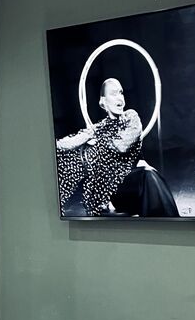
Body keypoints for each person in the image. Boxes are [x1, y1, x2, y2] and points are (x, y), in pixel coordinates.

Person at [56, 77, 179, 217]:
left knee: (148, 175)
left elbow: (122, 146)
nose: (120, 97)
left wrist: (97, 139)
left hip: (138, 183)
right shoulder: (98, 128)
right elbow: (65, 144)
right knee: (149, 176)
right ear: (103, 102)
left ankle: (165, 223)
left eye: (121, 92)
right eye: (114, 94)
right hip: (118, 191)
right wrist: (59, 143)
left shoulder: (131, 117)